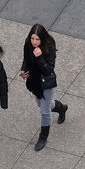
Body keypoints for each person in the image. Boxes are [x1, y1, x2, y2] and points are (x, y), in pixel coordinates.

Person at [19, 24, 66, 152]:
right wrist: (24, 69)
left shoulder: (49, 47)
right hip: (34, 81)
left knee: (44, 112)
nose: (34, 42)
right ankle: (61, 108)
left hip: (46, 83)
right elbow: (26, 59)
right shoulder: (28, 44)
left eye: (37, 39)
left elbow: (48, 70)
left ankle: (43, 137)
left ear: (42, 39)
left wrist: (39, 57)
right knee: (42, 105)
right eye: (32, 38)